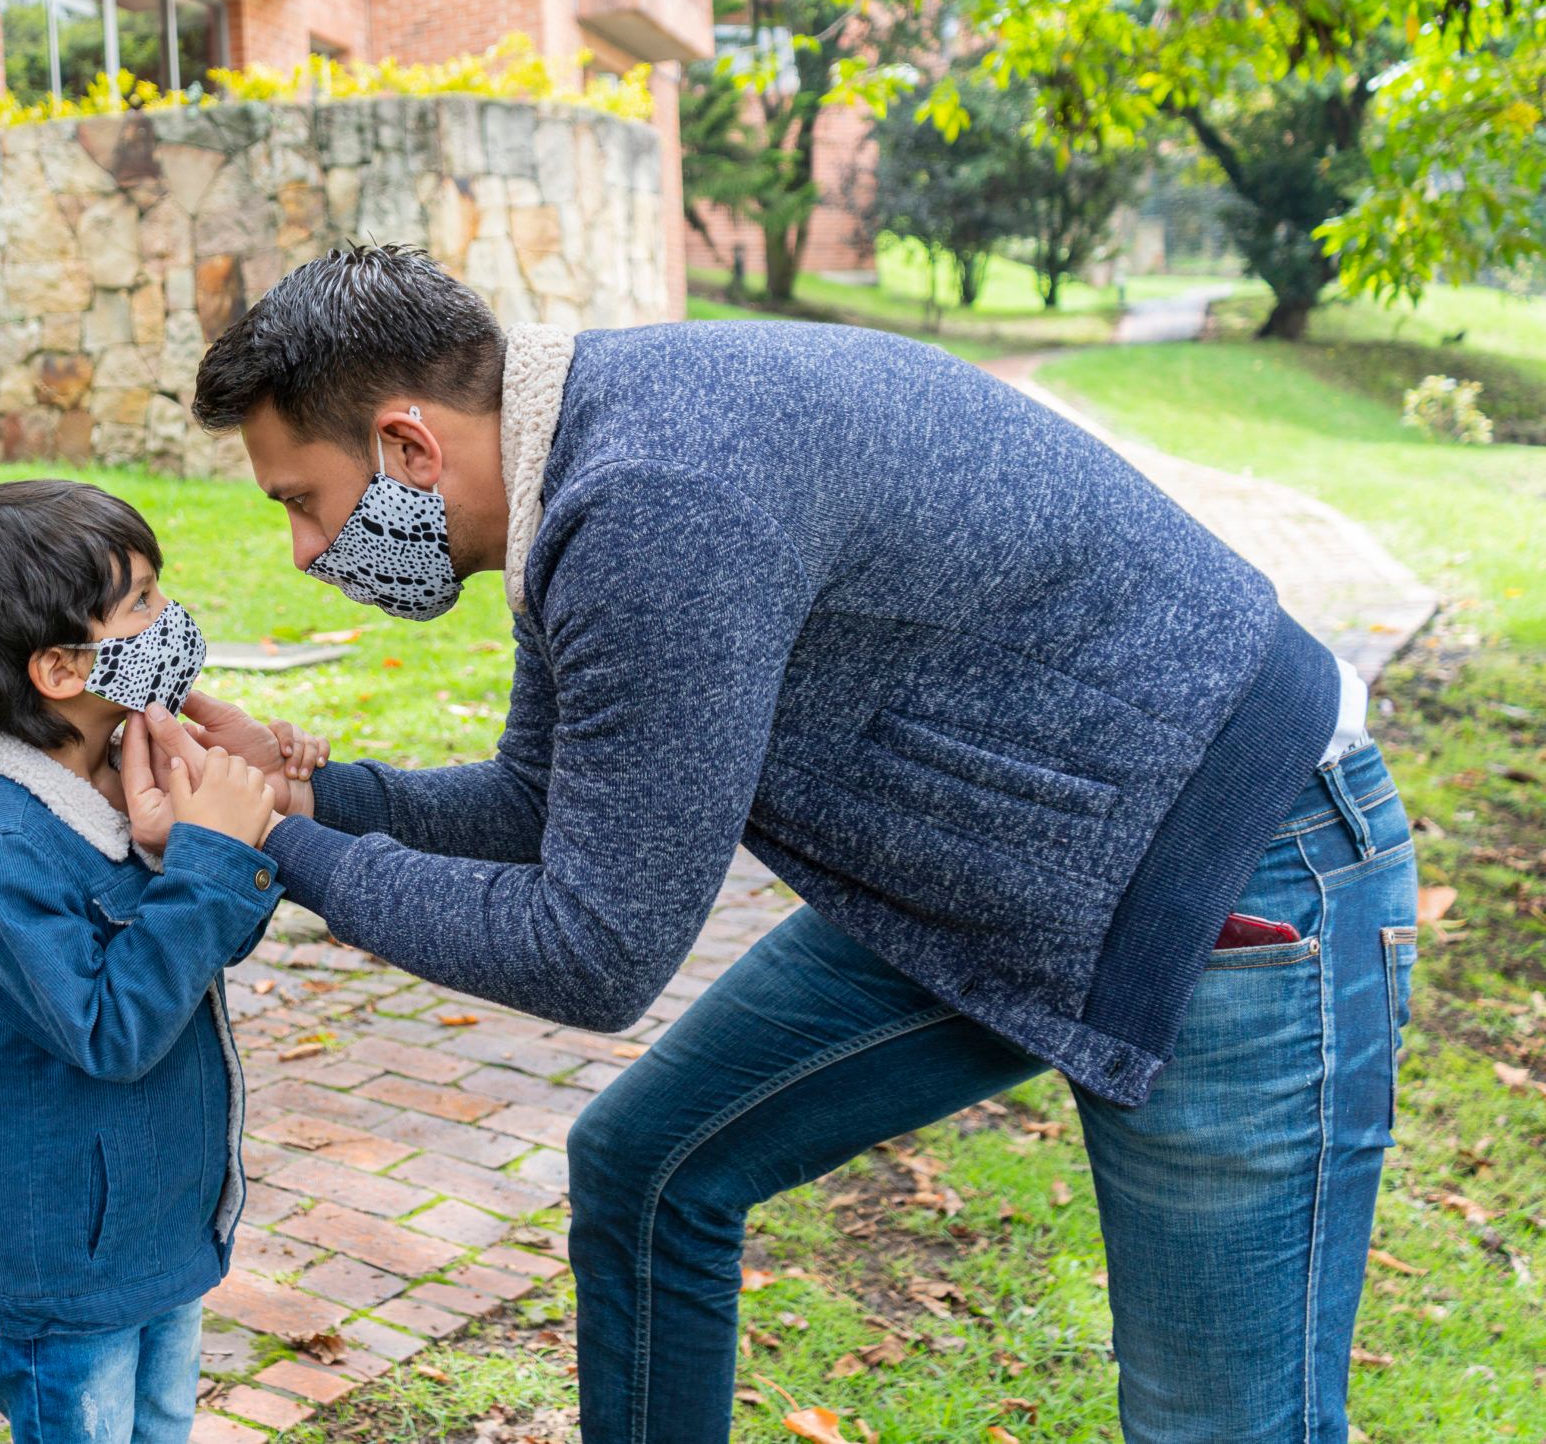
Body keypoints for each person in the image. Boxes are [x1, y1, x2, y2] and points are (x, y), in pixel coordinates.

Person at [171, 245, 1415, 1444]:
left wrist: (278, 845)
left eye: (303, 501)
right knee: (649, 1166)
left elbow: (595, 952)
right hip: (1008, 868)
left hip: (1228, 866)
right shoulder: (587, 457)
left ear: (405, 446)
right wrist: (319, 796)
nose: (305, 551)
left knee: (1224, 1427)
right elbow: (540, 804)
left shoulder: (654, 501)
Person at [0, 479, 323, 1444]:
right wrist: (207, 859)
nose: (170, 620)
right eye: (141, 602)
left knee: (162, 1425)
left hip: (156, 1231)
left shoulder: (122, 774)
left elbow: (198, 948)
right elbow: (114, 1029)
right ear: (59, 669)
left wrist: (264, 811)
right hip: (64, 1260)